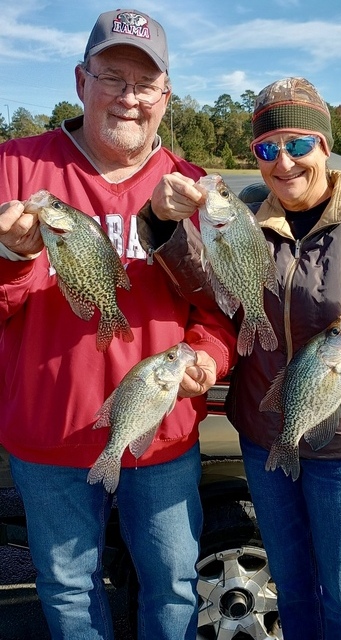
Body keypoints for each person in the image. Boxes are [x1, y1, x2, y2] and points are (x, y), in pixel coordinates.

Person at [138, 77, 341, 639]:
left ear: (325, 147)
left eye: (298, 145)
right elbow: (209, 290)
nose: (283, 162)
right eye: (267, 149)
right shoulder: (242, 218)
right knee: (290, 587)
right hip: (268, 430)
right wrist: (164, 223)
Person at [0, 9, 237, 640]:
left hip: (158, 431)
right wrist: (12, 259)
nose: (128, 98)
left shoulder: (190, 187)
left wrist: (208, 357)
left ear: (166, 97)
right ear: (81, 81)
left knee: (173, 584)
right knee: (69, 590)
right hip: (48, 432)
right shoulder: (14, 169)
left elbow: (221, 309)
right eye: (111, 77)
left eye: (145, 84)